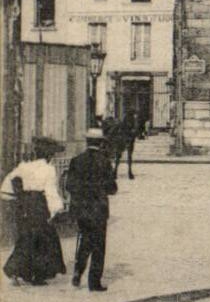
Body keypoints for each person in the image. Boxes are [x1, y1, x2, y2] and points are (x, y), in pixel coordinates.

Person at [1, 138, 66, 286]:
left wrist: (16, 197)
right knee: (42, 240)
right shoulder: (49, 169)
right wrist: (55, 210)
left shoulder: (24, 166)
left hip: (23, 205)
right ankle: (34, 274)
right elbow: (50, 191)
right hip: (38, 205)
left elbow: (8, 183)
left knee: (27, 237)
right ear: (49, 156)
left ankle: (24, 273)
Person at [66, 126, 117, 291]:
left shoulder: (76, 160)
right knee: (98, 246)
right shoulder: (104, 162)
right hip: (99, 210)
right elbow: (112, 188)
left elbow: (69, 186)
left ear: (87, 142)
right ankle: (94, 283)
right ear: (101, 143)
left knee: (84, 241)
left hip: (82, 209)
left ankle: (77, 273)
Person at [110, 113, 138, 181]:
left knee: (118, 156)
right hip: (129, 139)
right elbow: (134, 131)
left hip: (122, 139)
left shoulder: (122, 123)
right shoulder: (132, 122)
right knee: (129, 156)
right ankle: (129, 172)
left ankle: (115, 172)